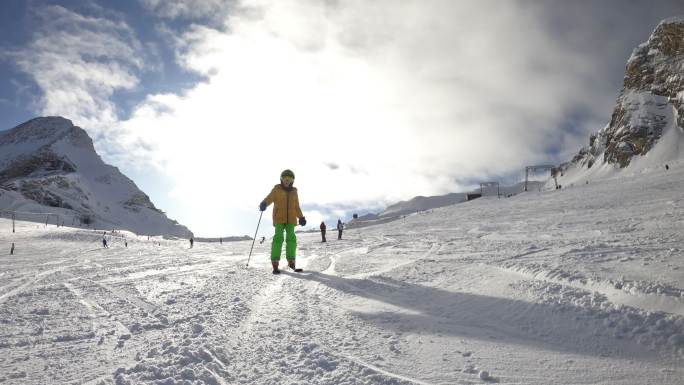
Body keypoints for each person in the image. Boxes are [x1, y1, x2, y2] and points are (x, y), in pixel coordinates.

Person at [260, 169, 306, 274]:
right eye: (285, 178)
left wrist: (301, 217)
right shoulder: (277, 189)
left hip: (291, 219)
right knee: (278, 238)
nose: (287, 180)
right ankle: (275, 262)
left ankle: (291, 261)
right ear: (281, 179)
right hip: (279, 218)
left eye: (289, 179)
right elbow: (270, 198)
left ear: (292, 181)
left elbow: (296, 206)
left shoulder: (294, 191)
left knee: (291, 239)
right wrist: (264, 203)